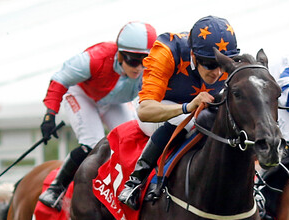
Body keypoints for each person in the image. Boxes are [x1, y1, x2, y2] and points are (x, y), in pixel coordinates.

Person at [118, 15, 239, 210]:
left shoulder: (231, 62)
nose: (217, 73)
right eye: (209, 64)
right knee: (191, 121)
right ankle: (135, 181)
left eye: (221, 64)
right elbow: (145, 111)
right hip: (159, 106)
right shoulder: (166, 50)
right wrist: (186, 107)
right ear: (193, 56)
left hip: (198, 109)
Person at [38, 21, 158, 210]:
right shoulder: (96, 57)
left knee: (135, 140)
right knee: (92, 143)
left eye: (145, 61)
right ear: (119, 54)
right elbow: (60, 78)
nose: (139, 68)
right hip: (82, 95)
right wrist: (49, 115)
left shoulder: (150, 70)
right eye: (133, 61)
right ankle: (55, 188)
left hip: (112, 102)